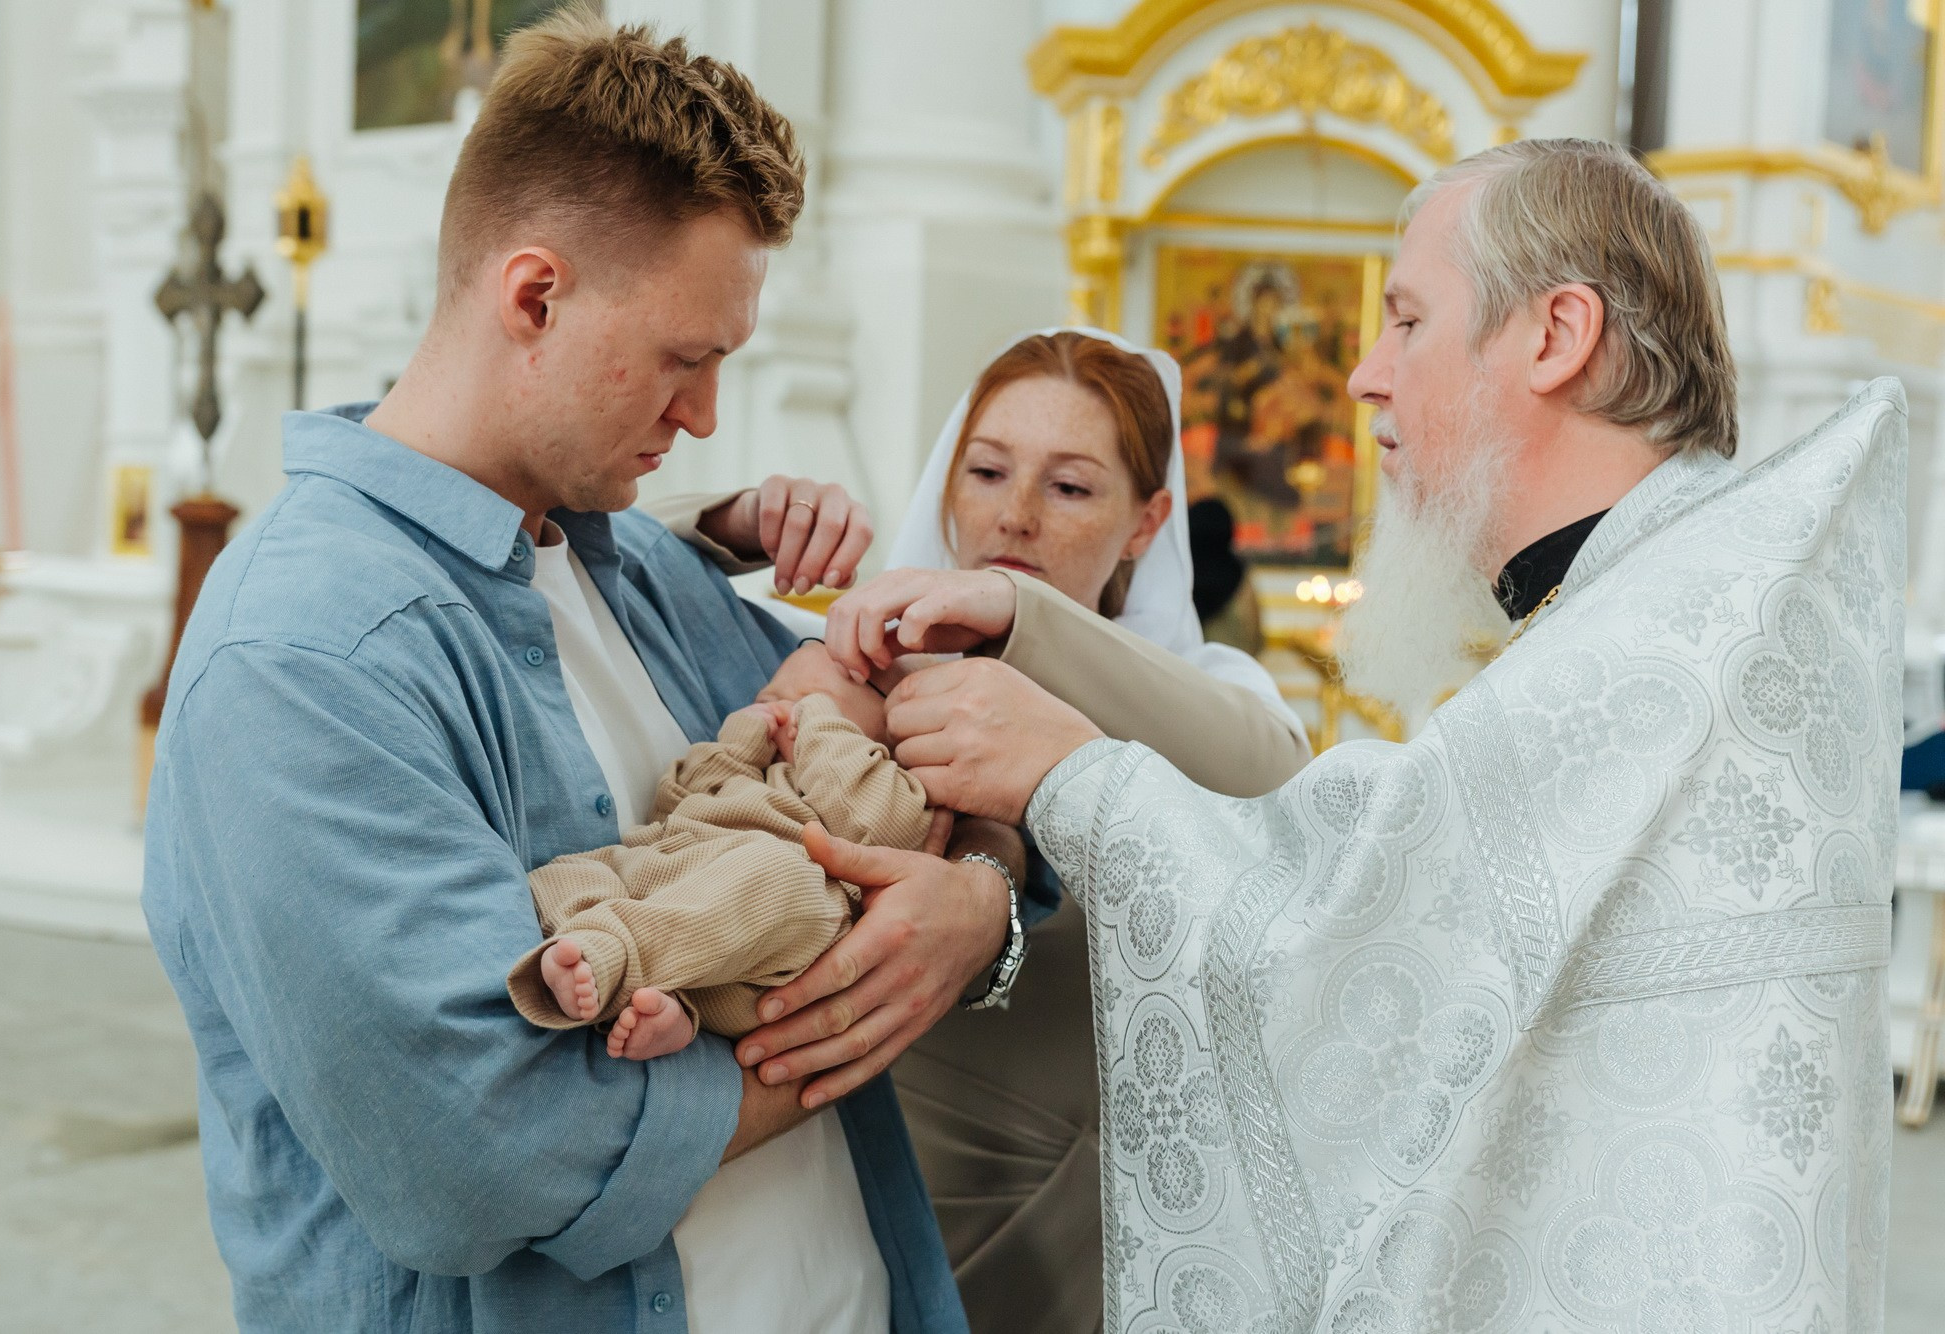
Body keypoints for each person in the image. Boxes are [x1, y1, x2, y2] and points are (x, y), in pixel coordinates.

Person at [862, 140, 1905, 1330]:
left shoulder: (1654, 641)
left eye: (1404, 319)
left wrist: (1067, 772)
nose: (1361, 375)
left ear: (1555, 336)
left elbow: (1348, 943)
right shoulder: (1680, 602)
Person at [142, 14, 1008, 1333]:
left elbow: (956, 759)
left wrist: (976, 907)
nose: (709, 415)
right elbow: (485, 1153)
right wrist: (877, 996)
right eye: (686, 359)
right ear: (534, 295)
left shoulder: (637, 565)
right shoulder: (303, 658)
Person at [721, 328, 1313, 1333]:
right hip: (846, 1215)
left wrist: (1019, 615)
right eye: (986, 470)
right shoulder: (851, 672)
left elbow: (1273, 775)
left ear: (1145, 521)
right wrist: (726, 519)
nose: (1012, 513)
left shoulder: (1205, 692)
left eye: (1070, 488)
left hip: (1080, 1242)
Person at [508, 639, 932, 1057]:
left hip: (786, 927)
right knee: (576, 868)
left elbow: (870, 821)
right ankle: (664, 1008)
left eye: (803, 703)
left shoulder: (889, 790)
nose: (780, 711)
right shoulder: (758, 776)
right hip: (680, 889)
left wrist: (819, 723)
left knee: (774, 875)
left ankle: (615, 951)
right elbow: (675, 803)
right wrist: (739, 744)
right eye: (770, 697)